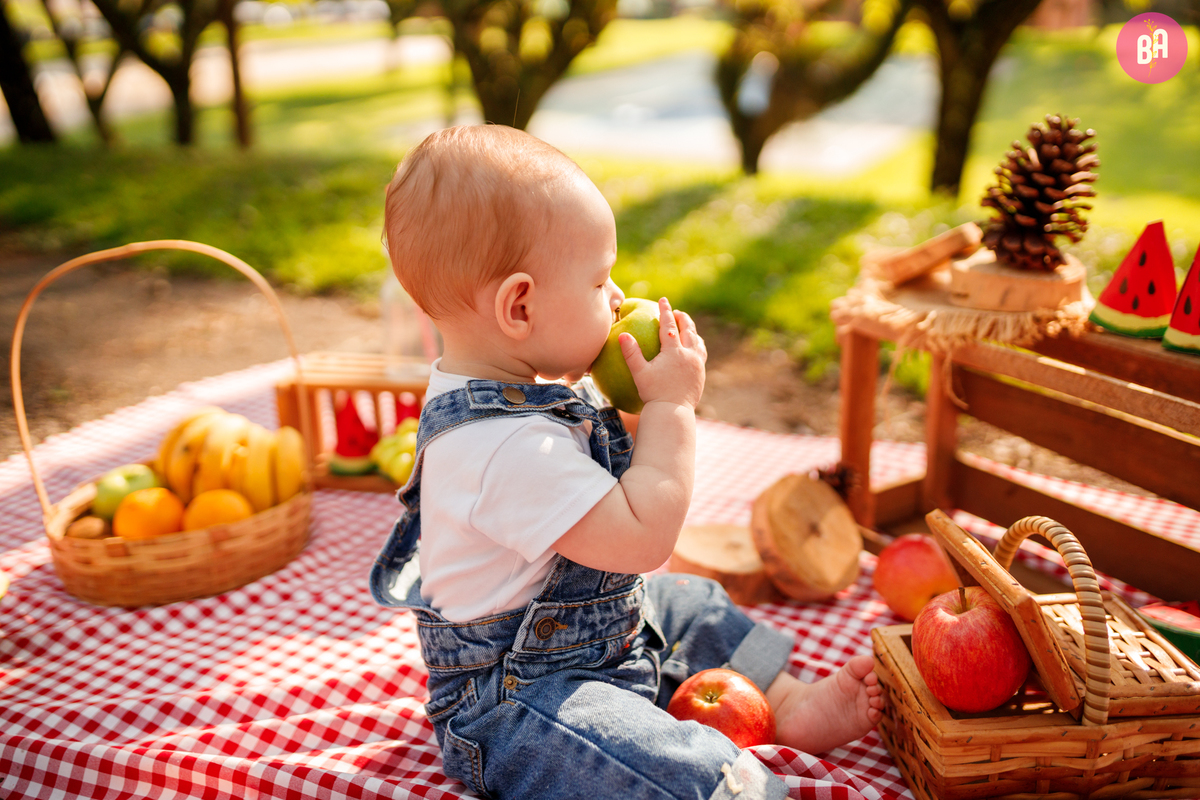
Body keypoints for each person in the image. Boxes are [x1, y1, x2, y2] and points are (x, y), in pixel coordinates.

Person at [369, 124, 883, 800]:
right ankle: (730, 786)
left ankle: (784, 704)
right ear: (519, 306)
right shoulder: (504, 449)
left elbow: (611, 483)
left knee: (689, 603)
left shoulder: (517, 390)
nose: (617, 299)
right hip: (518, 702)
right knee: (626, 745)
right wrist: (672, 407)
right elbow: (643, 537)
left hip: (595, 641)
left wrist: (638, 407)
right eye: (598, 280)